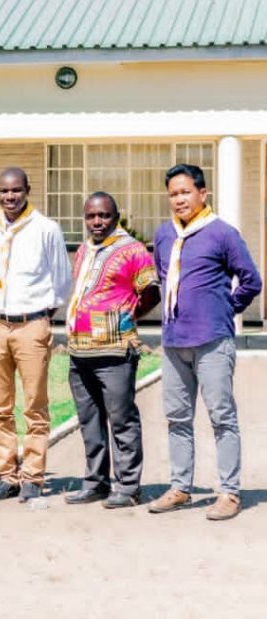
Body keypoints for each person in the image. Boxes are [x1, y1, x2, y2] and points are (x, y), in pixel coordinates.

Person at [148, 164, 261, 521]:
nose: (179, 199)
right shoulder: (164, 234)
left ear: (202, 193)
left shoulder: (223, 233)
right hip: (173, 341)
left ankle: (229, 492)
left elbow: (251, 280)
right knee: (177, 417)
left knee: (221, 416)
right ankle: (181, 487)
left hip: (212, 340)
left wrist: (226, 308)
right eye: (173, 194)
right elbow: (166, 278)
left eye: (185, 192)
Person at [0, 167, 71, 503]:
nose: (10, 197)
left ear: (27, 190)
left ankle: (33, 475)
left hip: (32, 324)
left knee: (35, 405)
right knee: (0, 406)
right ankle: (7, 474)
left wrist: (44, 314)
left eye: (16, 190)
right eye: (4, 192)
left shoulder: (46, 229)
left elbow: (61, 279)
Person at [63, 192, 159, 509]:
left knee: (122, 421)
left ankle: (128, 487)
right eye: (91, 216)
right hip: (79, 351)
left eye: (103, 215)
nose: (97, 221)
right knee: (89, 422)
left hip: (115, 352)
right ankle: (96, 483)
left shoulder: (132, 250)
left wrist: (124, 317)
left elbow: (151, 293)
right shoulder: (84, 249)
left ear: (116, 216)